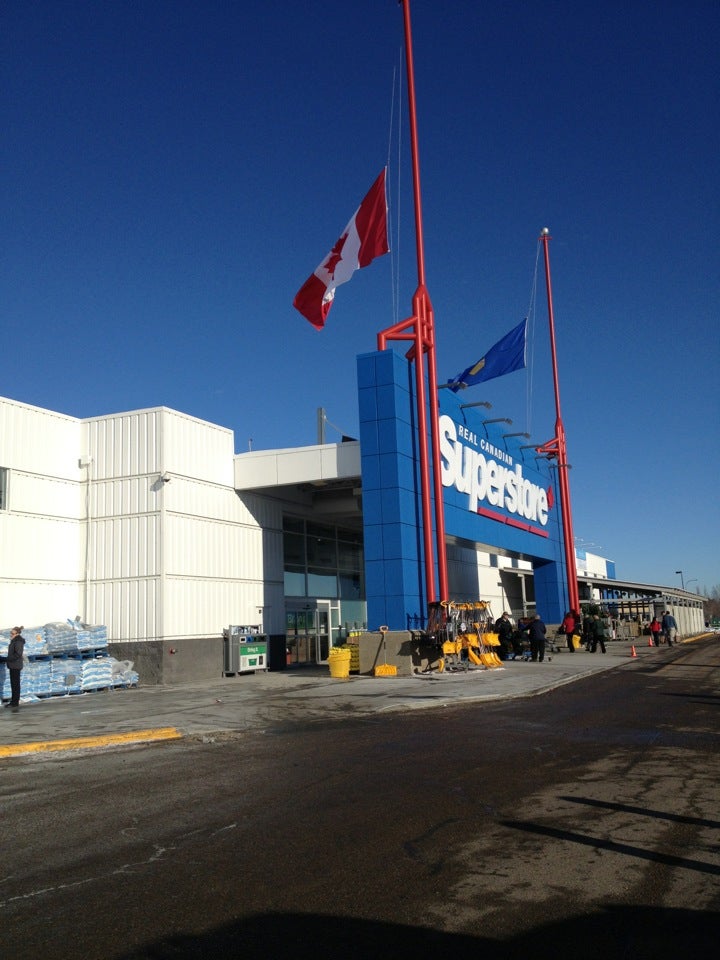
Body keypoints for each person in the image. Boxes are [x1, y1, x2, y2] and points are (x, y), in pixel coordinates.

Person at [5, 625, 25, 709]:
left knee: (15, 684)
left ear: (17, 633)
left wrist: (7, 659)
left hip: (15, 665)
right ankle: (14, 700)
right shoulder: (14, 641)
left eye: (12, 633)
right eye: (11, 633)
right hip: (13, 665)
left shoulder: (18, 642)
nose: (11, 634)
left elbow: (18, 654)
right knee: (14, 684)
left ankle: (15, 702)